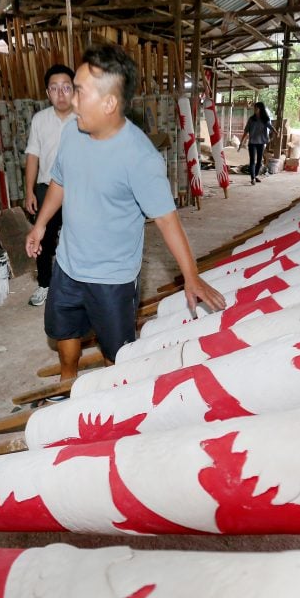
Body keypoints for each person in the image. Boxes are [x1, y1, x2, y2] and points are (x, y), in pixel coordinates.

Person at [25, 44, 225, 384]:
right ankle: (67, 380)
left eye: (79, 92)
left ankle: (113, 397)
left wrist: (190, 276)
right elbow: (59, 182)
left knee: (116, 354)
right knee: (64, 331)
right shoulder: (73, 133)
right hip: (68, 265)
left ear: (109, 103)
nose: (71, 101)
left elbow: (166, 219)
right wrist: (41, 225)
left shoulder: (139, 157)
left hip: (112, 279)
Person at [23, 64, 76, 307]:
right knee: (42, 238)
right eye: (55, 88)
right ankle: (44, 284)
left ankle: (79, 286)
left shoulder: (84, 118)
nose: (61, 93)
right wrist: (29, 191)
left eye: (66, 87)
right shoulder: (40, 120)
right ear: (47, 93)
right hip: (47, 189)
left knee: (79, 238)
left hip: (79, 190)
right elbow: (32, 156)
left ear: (74, 89)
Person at [237, 101, 275, 185]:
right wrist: (241, 143)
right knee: (252, 160)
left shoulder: (265, 119)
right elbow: (246, 131)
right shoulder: (251, 119)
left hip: (261, 143)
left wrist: (275, 132)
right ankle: (252, 178)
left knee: (259, 161)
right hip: (252, 143)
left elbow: (270, 127)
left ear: (261, 109)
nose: (255, 109)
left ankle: (255, 175)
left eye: (256, 108)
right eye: (255, 108)